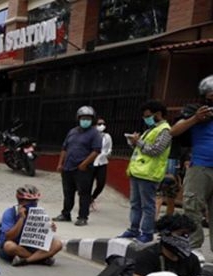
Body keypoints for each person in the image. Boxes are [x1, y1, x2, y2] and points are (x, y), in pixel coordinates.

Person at [117, 101, 172, 243]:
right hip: (137, 172)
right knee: (135, 203)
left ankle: (147, 233)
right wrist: (133, 142)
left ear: (158, 114)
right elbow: (141, 151)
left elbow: (156, 150)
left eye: (148, 115)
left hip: (149, 174)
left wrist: (139, 142)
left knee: (147, 205)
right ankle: (133, 229)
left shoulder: (165, 130)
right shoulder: (151, 129)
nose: (146, 118)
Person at [173, 75, 213, 254]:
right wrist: (196, 119)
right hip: (201, 166)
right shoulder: (194, 110)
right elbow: (174, 131)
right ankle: (194, 247)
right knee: (192, 206)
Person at [55, 106, 102, 227]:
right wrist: (60, 163)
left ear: (92, 119)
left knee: (84, 193)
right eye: (83, 118)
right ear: (78, 118)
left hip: (83, 169)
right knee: (68, 192)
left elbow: (96, 151)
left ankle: (82, 217)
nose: (85, 120)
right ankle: (66, 214)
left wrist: (84, 164)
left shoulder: (95, 133)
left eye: (88, 118)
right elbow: (64, 148)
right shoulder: (72, 131)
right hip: (68, 167)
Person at [132, 214, 202, 276]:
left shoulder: (192, 260)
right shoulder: (147, 256)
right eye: (181, 234)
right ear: (165, 234)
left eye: (188, 235)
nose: (185, 239)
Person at [0, 185, 62, 266]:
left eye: (35, 201)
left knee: (57, 244)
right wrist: (21, 218)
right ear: (21, 201)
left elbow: (44, 235)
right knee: (9, 246)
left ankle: (26, 260)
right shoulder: (10, 213)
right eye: (29, 201)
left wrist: (50, 228)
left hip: (30, 246)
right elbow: (9, 237)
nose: (33, 204)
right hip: (15, 246)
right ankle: (40, 259)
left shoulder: (38, 213)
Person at [91, 117, 113, 209]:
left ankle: (92, 197)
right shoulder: (90, 135)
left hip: (102, 162)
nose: (102, 126)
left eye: (103, 124)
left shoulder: (107, 136)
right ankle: (86, 201)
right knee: (88, 182)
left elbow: (109, 148)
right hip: (91, 161)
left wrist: (106, 153)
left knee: (101, 183)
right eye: (99, 124)